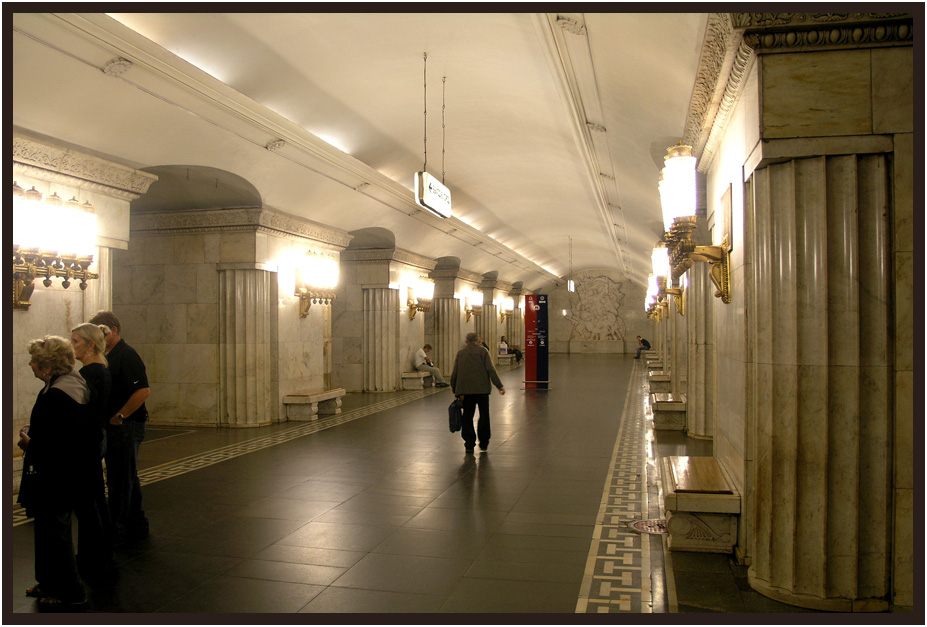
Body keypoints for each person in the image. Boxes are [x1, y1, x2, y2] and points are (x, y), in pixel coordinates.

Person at [18, 336, 92, 610]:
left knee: (56, 532)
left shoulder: (59, 395)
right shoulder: (66, 385)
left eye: (35, 361)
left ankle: (71, 591)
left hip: (56, 475)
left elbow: (60, 443)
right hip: (59, 472)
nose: (31, 364)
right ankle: (48, 582)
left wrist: (31, 444)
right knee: (46, 529)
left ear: (48, 366)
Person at [89, 311, 150, 546]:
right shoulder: (107, 355)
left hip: (128, 425)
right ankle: (137, 523)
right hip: (117, 425)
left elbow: (143, 391)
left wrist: (120, 416)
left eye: (101, 333)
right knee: (126, 475)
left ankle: (117, 528)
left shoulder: (127, 355)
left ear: (113, 330)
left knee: (120, 478)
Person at [70, 323, 114, 573]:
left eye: (76, 341)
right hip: (94, 439)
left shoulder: (90, 373)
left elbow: (85, 411)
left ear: (91, 345)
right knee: (94, 499)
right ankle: (99, 553)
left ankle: (94, 556)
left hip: (86, 442)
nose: (72, 346)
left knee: (88, 503)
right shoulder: (100, 369)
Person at [450, 332, 506, 453]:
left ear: (466, 341)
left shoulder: (460, 353)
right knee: (484, 415)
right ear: (478, 340)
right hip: (482, 390)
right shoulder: (483, 352)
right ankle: (484, 443)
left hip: (466, 391)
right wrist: (499, 385)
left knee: (467, 416)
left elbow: (455, 373)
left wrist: (455, 389)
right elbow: (491, 370)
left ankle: (469, 444)